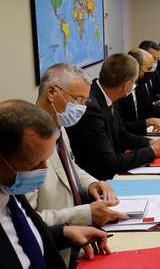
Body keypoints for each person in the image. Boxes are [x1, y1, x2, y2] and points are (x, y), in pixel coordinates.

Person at [25, 63, 126, 266]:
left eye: (85, 101)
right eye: (77, 99)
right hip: (54, 250)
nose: (81, 107)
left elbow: (71, 167)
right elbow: (28, 221)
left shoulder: (59, 127)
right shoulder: (26, 143)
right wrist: (86, 213)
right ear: (52, 92)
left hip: (79, 240)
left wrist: (92, 183)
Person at [0, 100, 111, 269]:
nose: (44, 169)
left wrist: (65, 233)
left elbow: (27, 230)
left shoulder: (10, 194)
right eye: (33, 165)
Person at [65, 53, 160, 180]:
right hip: (99, 181)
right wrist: (153, 151)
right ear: (127, 85)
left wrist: (152, 142)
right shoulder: (91, 108)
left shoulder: (108, 93)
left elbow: (121, 135)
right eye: (134, 82)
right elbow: (109, 162)